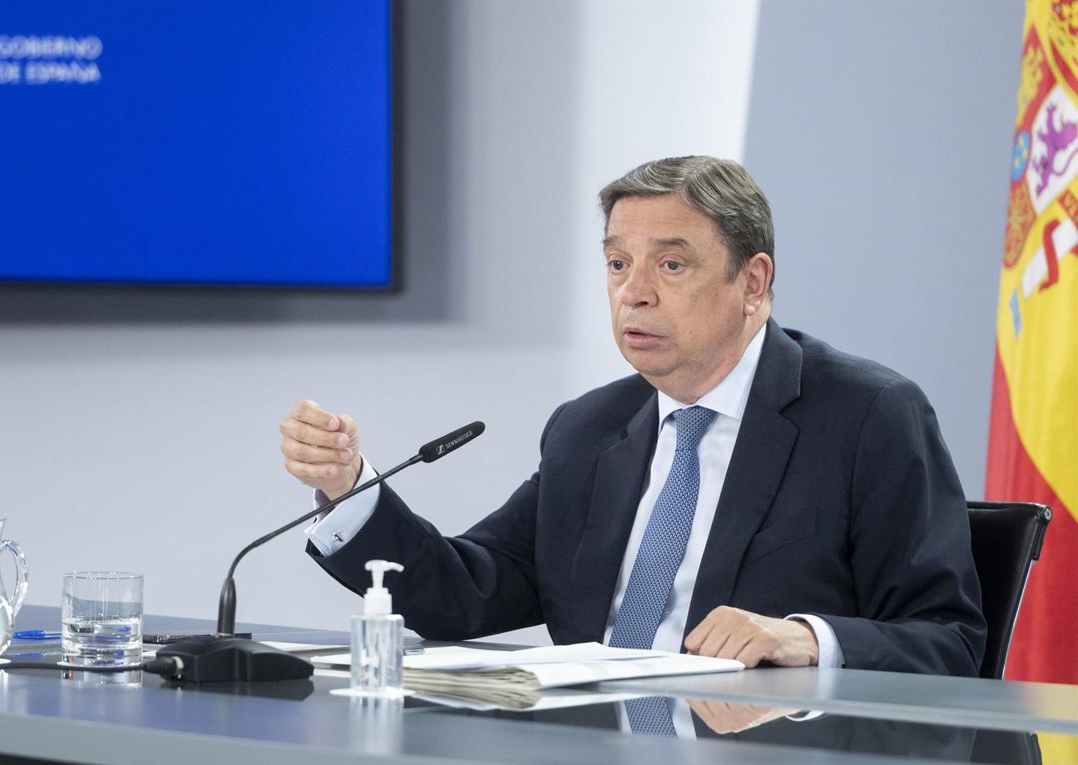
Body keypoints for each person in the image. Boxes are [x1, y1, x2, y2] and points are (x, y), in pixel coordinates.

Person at [280, 156, 985, 676]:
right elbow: (467, 591)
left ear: (753, 282)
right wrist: (350, 486)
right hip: (594, 757)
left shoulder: (866, 416)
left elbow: (949, 640)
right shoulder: (588, 430)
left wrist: (805, 637)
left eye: (671, 266)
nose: (633, 293)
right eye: (618, 264)